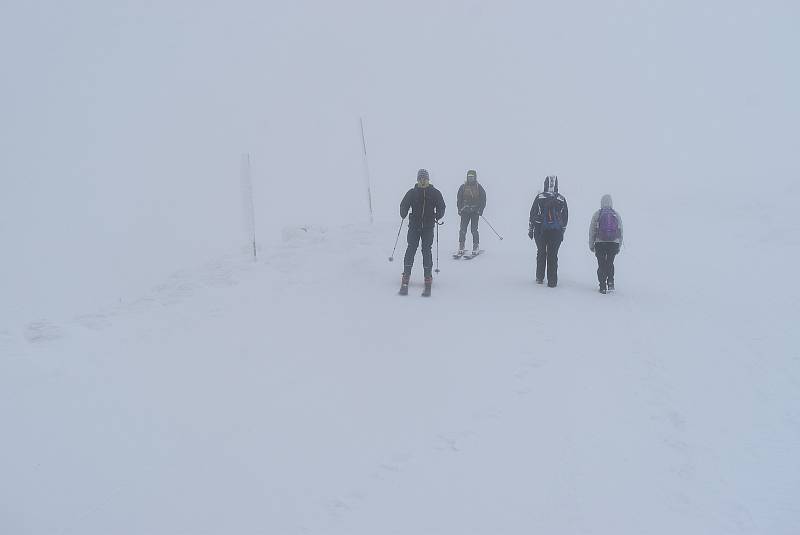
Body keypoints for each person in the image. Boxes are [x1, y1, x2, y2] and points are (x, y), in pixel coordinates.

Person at [399, 169, 446, 296]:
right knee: (411, 249)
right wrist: (403, 212)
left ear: (428, 179)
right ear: (417, 179)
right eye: (420, 178)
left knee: (426, 250)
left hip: (428, 227)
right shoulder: (412, 192)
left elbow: (442, 206)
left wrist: (438, 215)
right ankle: (406, 275)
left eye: (424, 178)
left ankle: (427, 276)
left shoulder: (435, 192)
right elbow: (404, 204)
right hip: (414, 226)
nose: (422, 180)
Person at [528, 175, 568, 287]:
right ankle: (552, 281)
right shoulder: (561, 198)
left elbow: (532, 214)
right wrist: (562, 232)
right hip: (556, 231)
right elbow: (565, 218)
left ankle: (539, 277)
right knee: (553, 255)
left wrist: (531, 229)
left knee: (541, 252)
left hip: (540, 229)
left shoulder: (539, 197)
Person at [589, 194, 623, 293]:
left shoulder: (597, 214)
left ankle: (602, 285)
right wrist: (619, 245)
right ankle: (611, 282)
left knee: (601, 264)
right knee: (610, 263)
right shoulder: (616, 214)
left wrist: (591, 245)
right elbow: (621, 231)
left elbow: (592, 230)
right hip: (613, 243)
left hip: (600, 242)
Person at [456, 169, 487, 255]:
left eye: (472, 177)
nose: (470, 179)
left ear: (475, 178)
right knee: (462, 229)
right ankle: (461, 245)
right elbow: (459, 199)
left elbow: (483, 199)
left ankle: (475, 246)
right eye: (469, 177)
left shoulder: (479, 187)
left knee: (474, 229)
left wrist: (480, 210)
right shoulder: (463, 187)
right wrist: (459, 209)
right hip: (465, 211)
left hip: (475, 212)